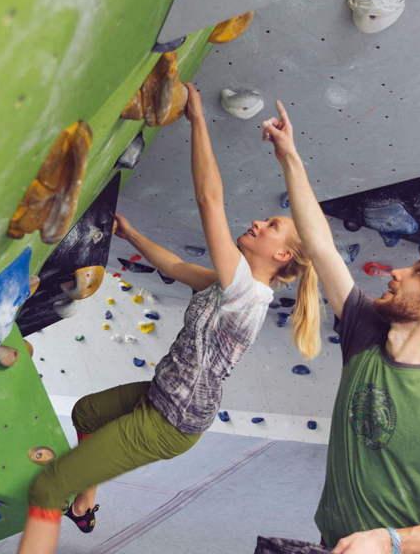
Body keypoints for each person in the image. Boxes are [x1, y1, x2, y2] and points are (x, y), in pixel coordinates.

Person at [16, 84, 322, 554]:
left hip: (170, 423)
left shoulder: (246, 293)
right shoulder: (227, 285)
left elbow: (209, 201)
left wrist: (198, 120)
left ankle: (65, 500)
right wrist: (132, 234)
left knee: (46, 488)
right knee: (87, 413)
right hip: (160, 396)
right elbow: (176, 267)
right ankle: (85, 505)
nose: (259, 223)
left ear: (281, 255)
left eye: (272, 227)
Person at [261, 101, 420, 554]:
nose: (395, 272)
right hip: (335, 544)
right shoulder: (366, 330)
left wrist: (390, 541)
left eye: (414, 274)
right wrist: (289, 156)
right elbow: (320, 246)